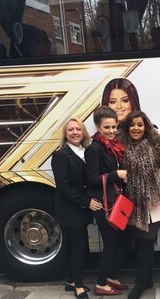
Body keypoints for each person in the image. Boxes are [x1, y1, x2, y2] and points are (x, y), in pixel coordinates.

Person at [121, 110, 160, 299]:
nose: (136, 128)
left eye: (140, 124)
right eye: (132, 125)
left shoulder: (156, 143)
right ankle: (146, 279)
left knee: (145, 241)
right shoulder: (122, 147)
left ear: (146, 126)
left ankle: (141, 283)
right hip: (134, 202)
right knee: (140, 242)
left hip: (156, 202)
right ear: (127, 127)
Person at [51, 117, 102, 299]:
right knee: (78, 247)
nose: (75, 132)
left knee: (73, 246)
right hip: (69, 208)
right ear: (65, 134)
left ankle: (70, 280)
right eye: (71, 130)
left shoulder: (86, 152)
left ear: (83, 132)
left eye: (78, 129)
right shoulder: (60, 155)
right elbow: (63, 188)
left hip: (80, 208)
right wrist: (86, 202)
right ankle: (79, 287)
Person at [85, 106, 128, 296]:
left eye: (114, 127)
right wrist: (116, 174)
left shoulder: (110, 146)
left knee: (119, 242)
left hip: (113, 201)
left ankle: (110, 276)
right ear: (97, 127)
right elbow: (92, 179)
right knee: (111, 243)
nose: (111, 131)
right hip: (103, 204)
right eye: (107, 128)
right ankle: (101, 283)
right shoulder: (94, 148)